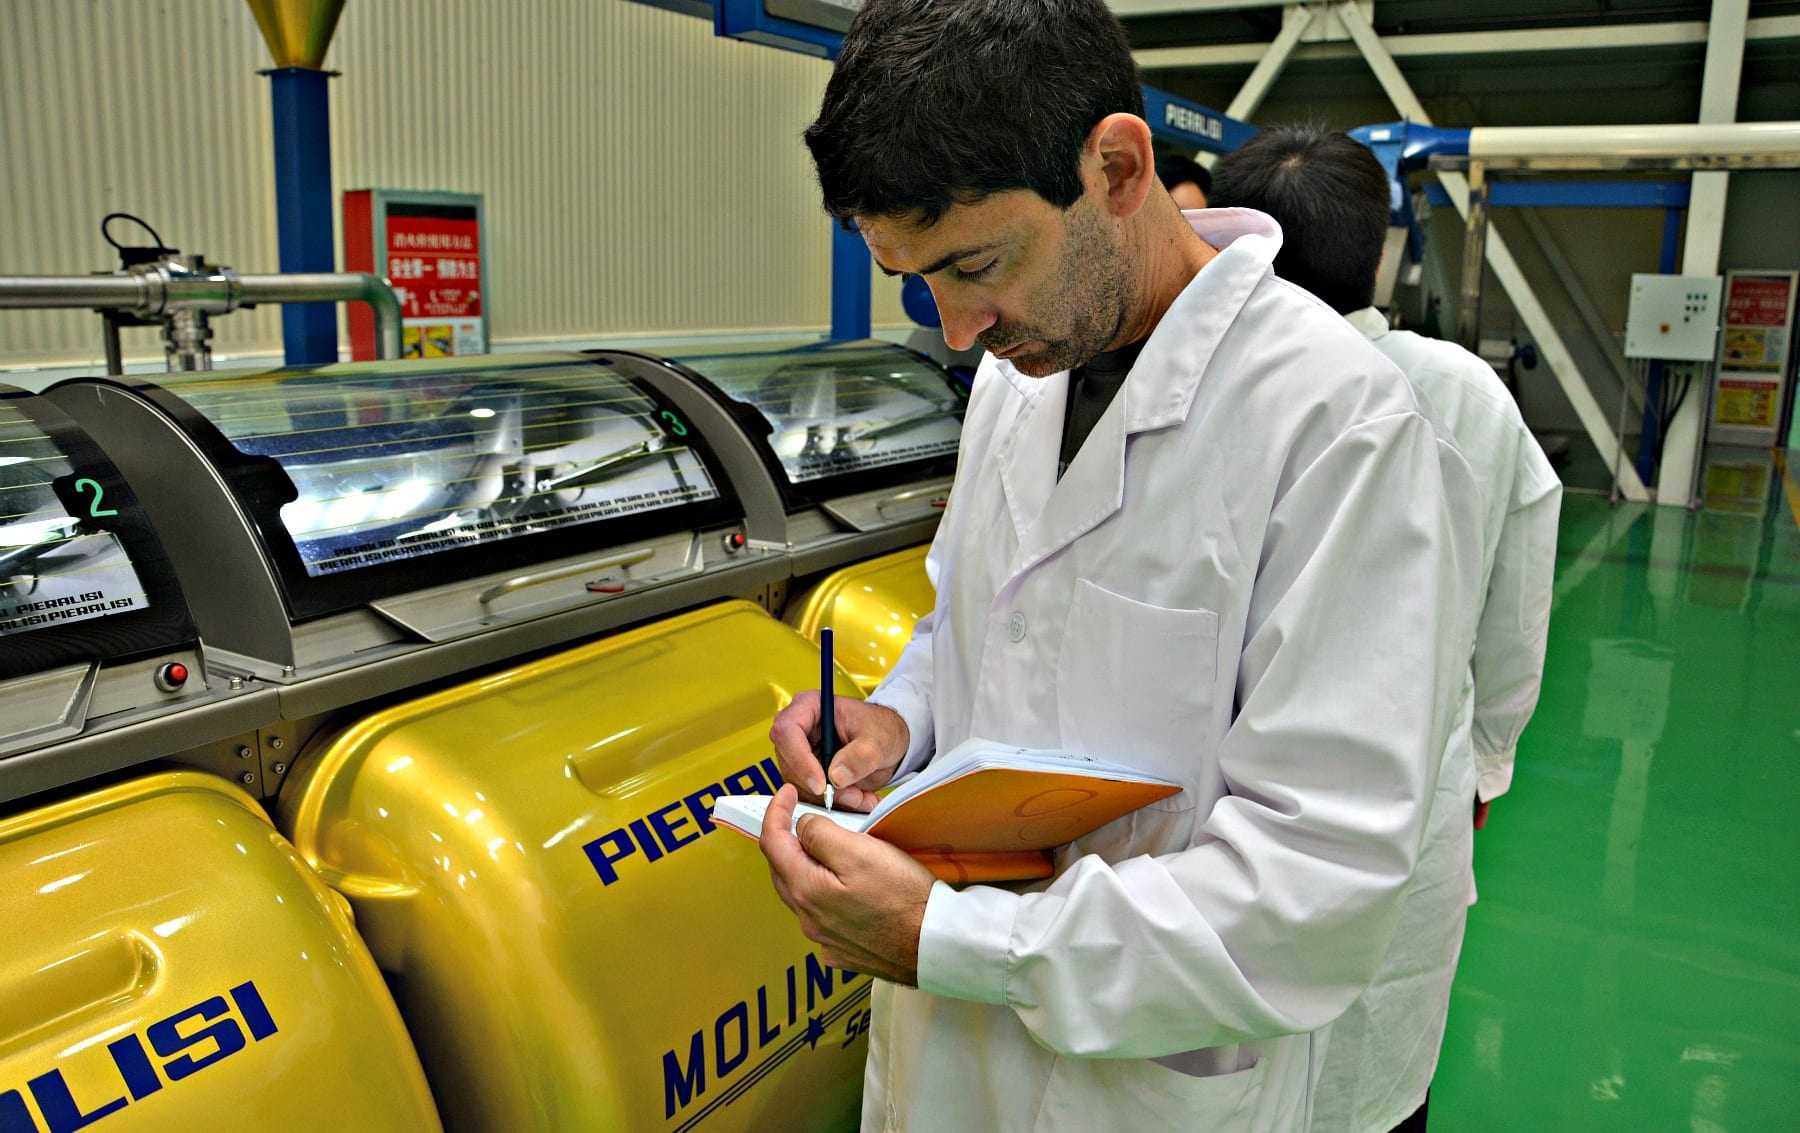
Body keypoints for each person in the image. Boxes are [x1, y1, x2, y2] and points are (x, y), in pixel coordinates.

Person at [755, 2, 1483, 1128]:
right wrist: (899, 720)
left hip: (1140, 1077)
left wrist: (957, 937)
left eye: (975, 265)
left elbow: (1319, 880)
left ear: (1118, 165)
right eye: (914, 281)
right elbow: (975, 617)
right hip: (951, 1049)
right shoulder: (1016, 374)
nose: (955, 328)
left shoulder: (1333, 421)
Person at [1212, 125, 1562, 1132]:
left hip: (1224, 835)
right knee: (1371, 1080)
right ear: (1382, 247)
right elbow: (1515, 612)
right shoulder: (1465, 394)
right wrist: (1484, 761)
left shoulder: (1207, 389)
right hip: (1412, 810)